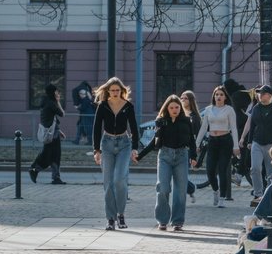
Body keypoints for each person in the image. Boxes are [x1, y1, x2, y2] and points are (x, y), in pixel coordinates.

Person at [92, 77, 139, 230]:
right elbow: (96, 127)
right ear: (108, 91)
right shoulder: (103, 106)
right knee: (108, 183)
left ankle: (121, 214)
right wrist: (96, 150)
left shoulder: (128, 106)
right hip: (106, 144)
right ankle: (110, 219)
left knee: (119, 180)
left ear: (122, 91)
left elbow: (134, 127)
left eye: (117, 90)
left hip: (124, 144)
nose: (115, 93)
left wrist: (134, 148)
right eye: (112, 90)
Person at [149, 95, 197, 231]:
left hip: (182, 156)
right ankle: (162, 220)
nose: (174, 110)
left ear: (180, 108)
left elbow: (192, 141)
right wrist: (140, 155)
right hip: (164, 156)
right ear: (167, 109)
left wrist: (193, 156)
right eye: (171, 108)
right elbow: (155, 142)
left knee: (180, 191)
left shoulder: (187, 121)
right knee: (163, 188)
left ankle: (177, 221)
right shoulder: (162, 121)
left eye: (177, 107)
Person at [240, 85, 272, 205]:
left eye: (263, 93)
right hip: (257, 142)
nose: (260, 95)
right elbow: (252, 126)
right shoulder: (256, 108)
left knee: (271, 172)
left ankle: (269, 194)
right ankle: (258, 194)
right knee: (255, 168)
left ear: (270, 95)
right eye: (259, 93)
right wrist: (249, 141)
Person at [195, 85, 240, 208]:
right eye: (216, 94)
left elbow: (234, 128)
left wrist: (236, 146)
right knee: (210, 170)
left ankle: (222, 198)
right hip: (212, 141)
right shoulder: (209, 110)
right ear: (213, 96)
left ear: (225, 97)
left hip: (225, 141)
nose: (218, 96)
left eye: (221, 94)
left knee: (222, 170)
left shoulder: (229, 109)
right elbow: (204, 127)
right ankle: (215, 190)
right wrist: (197, 143)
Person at [30, 83, 66, 184]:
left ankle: (55, 177)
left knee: (51, 155)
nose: (57, 93)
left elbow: (52, 119)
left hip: (52, 133)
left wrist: (59, 131)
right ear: (53, 92)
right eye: (56, 92)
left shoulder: (46, 102)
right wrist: (58, 101)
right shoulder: (51, 103)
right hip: (51, 135)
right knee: (50, 155)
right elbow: (62, 114)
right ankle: (35, 169)